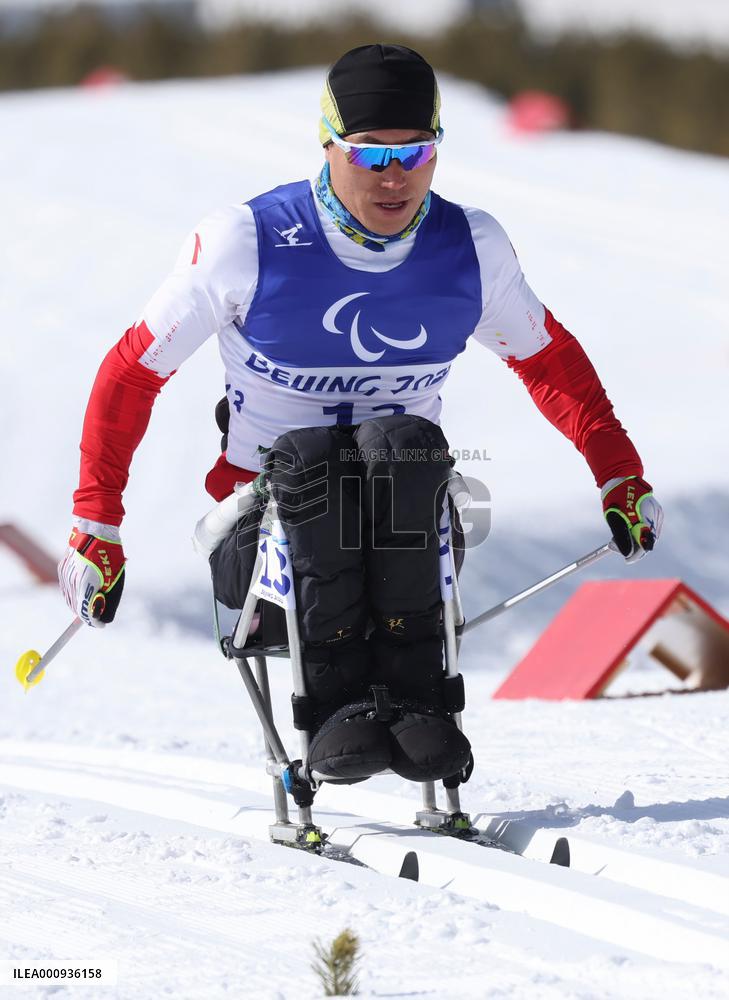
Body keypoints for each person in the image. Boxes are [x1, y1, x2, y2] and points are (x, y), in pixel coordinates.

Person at [58, 44, 662, 783]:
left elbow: (550, 364)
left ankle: (418, 705)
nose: (395, 178)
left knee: (403, 443)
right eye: (371, 155)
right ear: (328, 144)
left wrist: (618, 477)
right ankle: (337, 708)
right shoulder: (245, 242)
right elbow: (130, 372)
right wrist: (96, 526)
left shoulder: (469, 247)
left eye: (415, 153)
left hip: (406, 519)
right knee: (314, 456)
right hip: (261, 545)